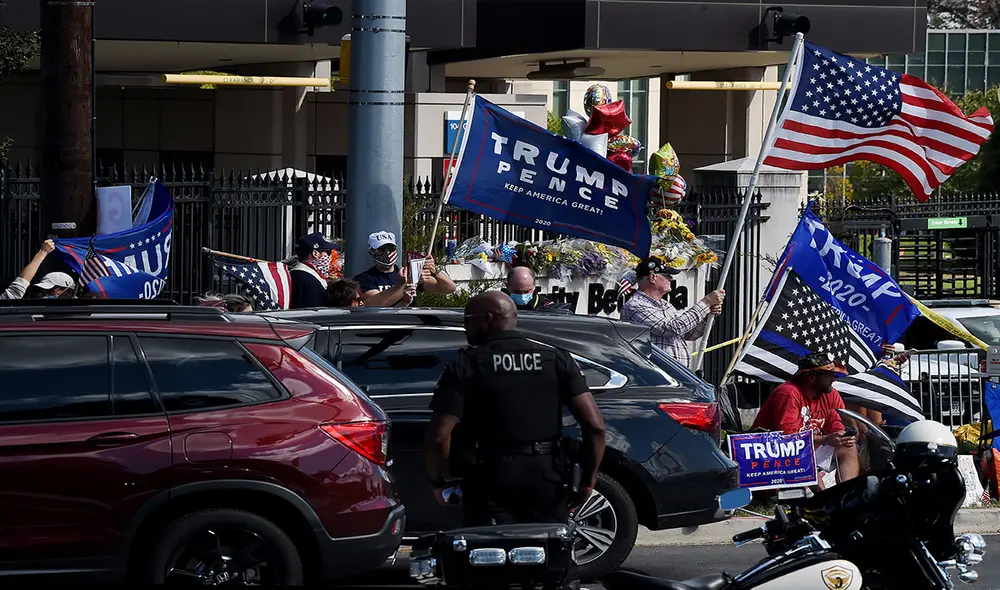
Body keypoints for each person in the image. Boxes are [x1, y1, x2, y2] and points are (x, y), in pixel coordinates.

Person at [424, 291, 607, 527]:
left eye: (468, 319)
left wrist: (438, 481)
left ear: (488, 318)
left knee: (487, 552)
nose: (465, 327)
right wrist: (588, 480)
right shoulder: (554, 358)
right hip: (546, 475)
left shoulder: (467, 363)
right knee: (549, 551)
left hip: (488, 475)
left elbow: (439, 436)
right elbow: (595, 426)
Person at [752, 352, 860, 484]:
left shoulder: (830, 394)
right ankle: (822, 501)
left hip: (810, 447)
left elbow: (835, 422)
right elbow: (788, 439)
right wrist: (825, 439)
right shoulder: (788, 393)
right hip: (774, 454)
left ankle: (846, 496)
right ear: (812, 377)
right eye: (829, 375)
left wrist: (841, 436)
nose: (833, 379)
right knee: (802, 452)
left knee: (848, 446)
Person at [620, 256, 724, 367]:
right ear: (653, 277)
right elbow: (673, 328)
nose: (671, 279)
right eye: (667, 275)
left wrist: (706, 316)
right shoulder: (635, 306)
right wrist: (706, 302)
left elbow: (688, 334)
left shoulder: (665, 305)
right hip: (654, 374)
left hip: (672, 374)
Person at [354, 230, 457, 307]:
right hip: (382, 328)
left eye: (391, 248)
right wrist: (404, 285)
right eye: (381, 249)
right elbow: (374, 304)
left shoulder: (409, 273)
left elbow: (450, 288)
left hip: (409, 327)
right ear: (371, 252)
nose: (387, 253)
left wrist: (435, 270)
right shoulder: (364, 279)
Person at [289, 232, 337, 309]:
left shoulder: (302, 275)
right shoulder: (306, 280)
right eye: (328, 252)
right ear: (315, 253)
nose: (330, 256)